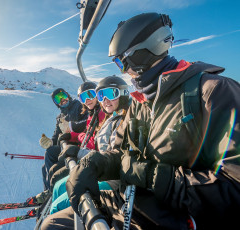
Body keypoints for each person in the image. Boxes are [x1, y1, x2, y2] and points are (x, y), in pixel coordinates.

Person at [65, 12, 240, 230]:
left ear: (140, 55)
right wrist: (95, 163)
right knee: (53, 225)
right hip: (131, 207)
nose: (123, 70)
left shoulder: (213, 92)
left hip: (175, 219)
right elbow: (122, 154)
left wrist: (154, 177)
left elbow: (234, 187)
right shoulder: (140, 102)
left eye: (121, 61)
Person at [41, 76, 130, 228]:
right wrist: (64, 140)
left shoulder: (123, 119)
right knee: (58, 185)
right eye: (102, 95)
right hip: (98, 169)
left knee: (58, 206)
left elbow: (109, 152)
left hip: (109, 178)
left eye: (111, 94)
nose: (106, 100)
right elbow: (89, 134)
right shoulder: (105, 117)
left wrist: (79, 150)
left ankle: (54, 216)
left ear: (123, 94)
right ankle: (49, 206)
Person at [33, 88, 87, 205]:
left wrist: (73, 127)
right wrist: (50, 142)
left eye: (63, 96)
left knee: (50, 153)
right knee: (44, 167)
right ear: (56, 103)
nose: (62, 100)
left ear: (67, 95)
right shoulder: (60, 117)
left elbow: (86, 122)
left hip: (78, 145)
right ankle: (47, 192)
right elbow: (56, 136)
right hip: (65, 146)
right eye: (58, 99)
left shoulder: (78, 106)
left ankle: (51, 192)